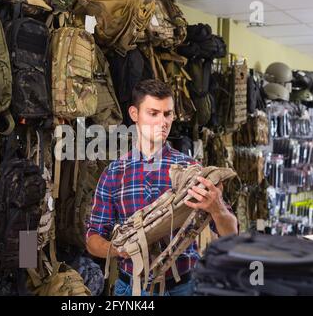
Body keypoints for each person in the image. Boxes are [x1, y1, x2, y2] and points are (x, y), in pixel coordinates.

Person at [86, 79, 238, 296]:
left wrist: (217, 208)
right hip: (131, 289)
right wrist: (119, 249)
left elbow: (231, 233)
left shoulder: (192, 170)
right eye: (153, 113)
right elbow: (93, 238)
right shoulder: (114, 173)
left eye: (168, 114)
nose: (163, 122)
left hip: (184, 286)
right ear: (134, 114)